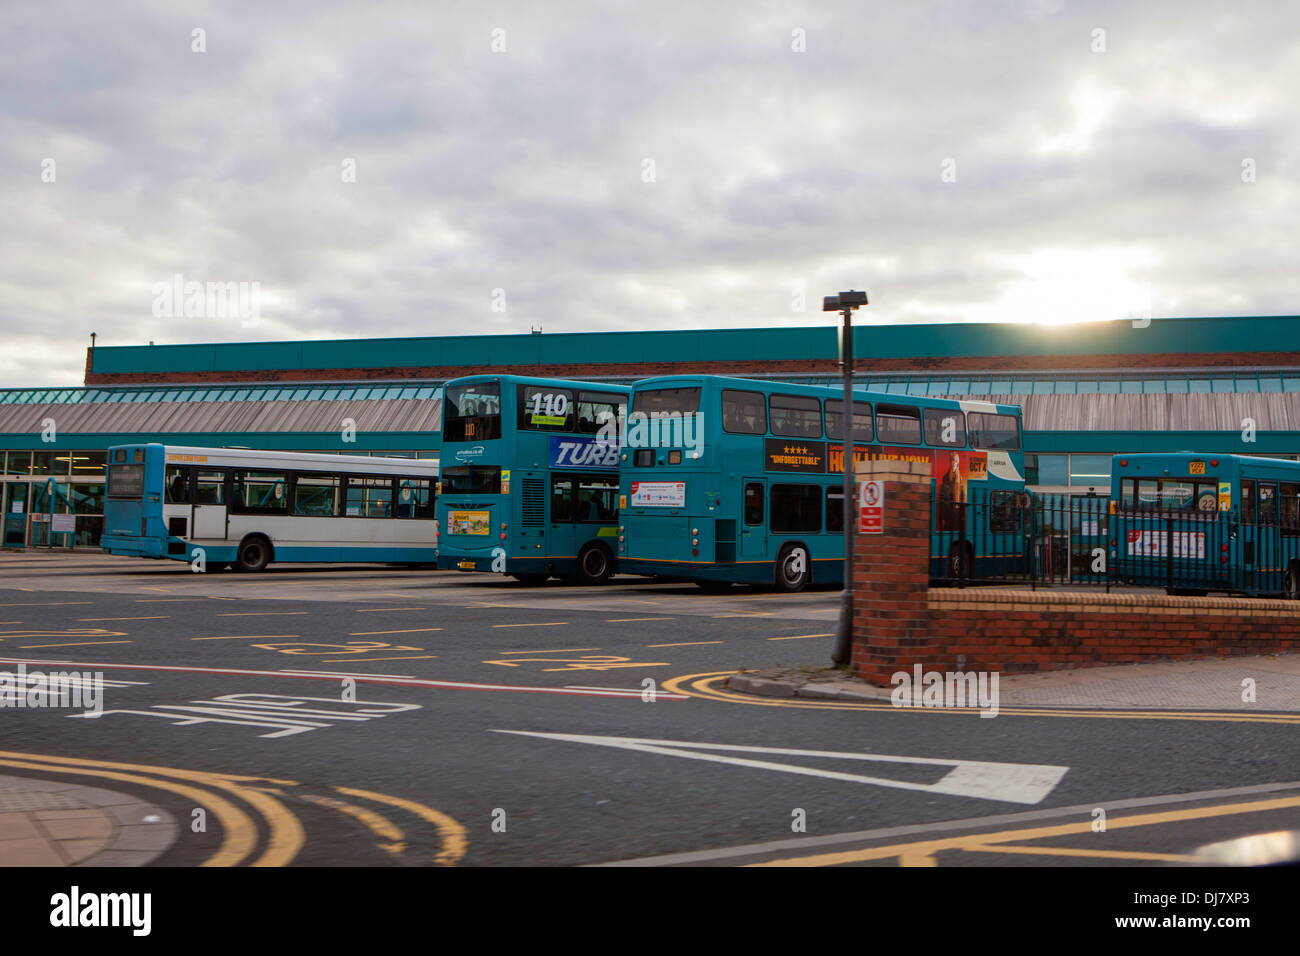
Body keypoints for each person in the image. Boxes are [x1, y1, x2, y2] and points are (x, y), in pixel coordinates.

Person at [938, 451, 967, 532]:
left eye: (956, 461)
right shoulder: (945, 478)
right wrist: (943, 517)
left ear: (958, 463)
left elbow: (962, 498)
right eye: (953, 460)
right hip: (947, 514)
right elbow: (942, 499)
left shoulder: (960, 478)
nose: (954, 463)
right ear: (950, 461)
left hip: (957, 515)